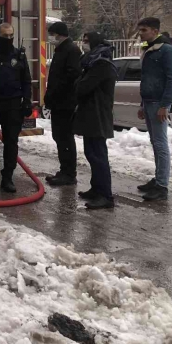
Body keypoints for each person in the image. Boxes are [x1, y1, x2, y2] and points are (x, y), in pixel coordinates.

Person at [0, 23, 33, 193]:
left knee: (11, 143)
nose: (8, 39)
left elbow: (26, 79)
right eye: (4, 35)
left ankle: (7, 178)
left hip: (12, 104)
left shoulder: (18, 55)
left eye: (10, 35)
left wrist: (27, 100)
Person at [137, 17, 172, 201]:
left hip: (158, 103)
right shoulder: (150, 50)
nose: (141, 34)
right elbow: (147, 78)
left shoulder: (166, 50)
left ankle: (162, 186)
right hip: (148, 101)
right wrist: (142, 103)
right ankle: (157, 179)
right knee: (154, 142)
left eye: (144, 30)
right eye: (140, 30)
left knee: (161, 144)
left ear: (155, 31)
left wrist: (164, 105)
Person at [74, 32, 117, 210]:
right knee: (91, 153)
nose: (84, 44)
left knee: (98, 155)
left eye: (86, 41)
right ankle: (96, 188)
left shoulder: (101, 64)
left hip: (98, 115)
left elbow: (82, 87)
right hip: (91, 114)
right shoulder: (92, 62)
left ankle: (105, 195)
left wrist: (79, 81)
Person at [45, 21, 82, 186]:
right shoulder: (62, 49)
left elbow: (71, 76)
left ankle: (69, 173)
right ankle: (64, 169)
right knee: (58, 136)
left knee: (64, 137)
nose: (50, 38)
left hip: (65, 102)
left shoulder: (71, 50)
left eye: (51, 34)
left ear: (58, 34)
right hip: (58, 101)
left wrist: (55, 93)